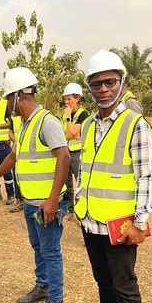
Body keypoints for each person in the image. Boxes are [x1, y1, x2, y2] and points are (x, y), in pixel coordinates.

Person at [74, 50, 152, 303]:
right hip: (91, 219)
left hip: (119, 225)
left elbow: (145, 177)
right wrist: (80, 199)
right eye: (96, 84)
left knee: (125, 285)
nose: (104, 89)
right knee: (102, 279)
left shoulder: (135, 125)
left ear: (122, 83)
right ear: (89, 88)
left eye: (110, 82)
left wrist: (140, 223)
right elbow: (88, 169)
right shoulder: (89, 124)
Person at [0, 67, 70, 303]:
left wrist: (52, 200)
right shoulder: (26, 124)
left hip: (47, 204)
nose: (7, 104)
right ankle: (42, 286)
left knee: (50, 251)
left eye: (9, 98)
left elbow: (63, 157)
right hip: (31, 202)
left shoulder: (47, 122)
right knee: (38, 246)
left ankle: (56, 300)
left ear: (19, 96)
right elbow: (13, 157)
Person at [61, 83, 89, 213]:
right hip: (66, 152)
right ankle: (69, 209)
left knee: (80, 182)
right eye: (65, 99)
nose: (67, 102)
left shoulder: (83, 114)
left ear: (77, 98)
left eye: (69, 99)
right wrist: (70, 134)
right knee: (67, 183)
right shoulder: (64, 114)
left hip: (77, 152)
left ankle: (81, 208)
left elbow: (71, 132)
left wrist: (68, 119)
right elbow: (64, 134)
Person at [8, 114, 24, 213]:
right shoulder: (14, 117)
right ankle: (19, 201)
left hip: (29, 151)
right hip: (17, 150)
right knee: (16, 176)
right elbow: (10, 132)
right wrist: (17, 142)